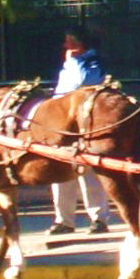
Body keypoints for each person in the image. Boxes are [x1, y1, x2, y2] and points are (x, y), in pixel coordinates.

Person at [49, 30, 108, 236]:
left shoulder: (91, 62)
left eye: (69, 42)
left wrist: (73, 62)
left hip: (84, 123)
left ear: (79, 44)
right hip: (62, 122)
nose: (65, 47)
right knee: (60, 172)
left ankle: (98, 218)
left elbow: (80, 84)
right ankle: (64, 220)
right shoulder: (69, 63)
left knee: (88, 172)